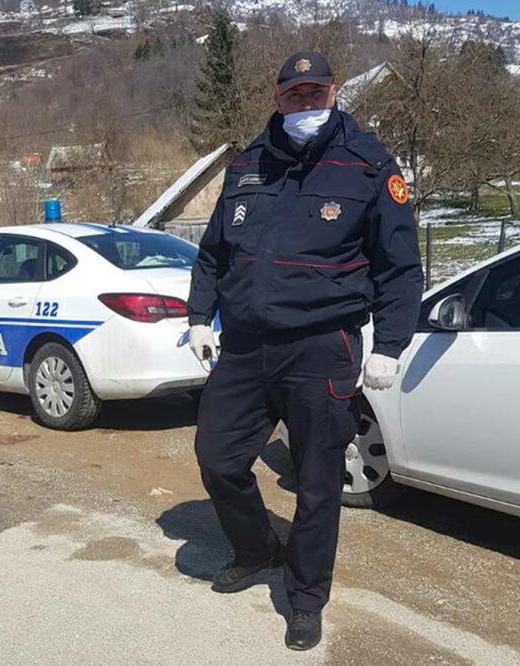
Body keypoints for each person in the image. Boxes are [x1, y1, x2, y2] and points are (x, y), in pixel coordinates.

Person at [186, 52, 423, 650]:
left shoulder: (369, 166)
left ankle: (306, 596)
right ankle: (257, 546)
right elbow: (213, 252)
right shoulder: (246, 166)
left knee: (318, 482)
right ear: (278, 96)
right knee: (217, 457)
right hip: (244, 346)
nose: (305, 105)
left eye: (316, 94)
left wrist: (391, 343)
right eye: (295, 95)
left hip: (324, 346)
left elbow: (400, 267)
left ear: (334, 93)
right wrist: (198, 317)